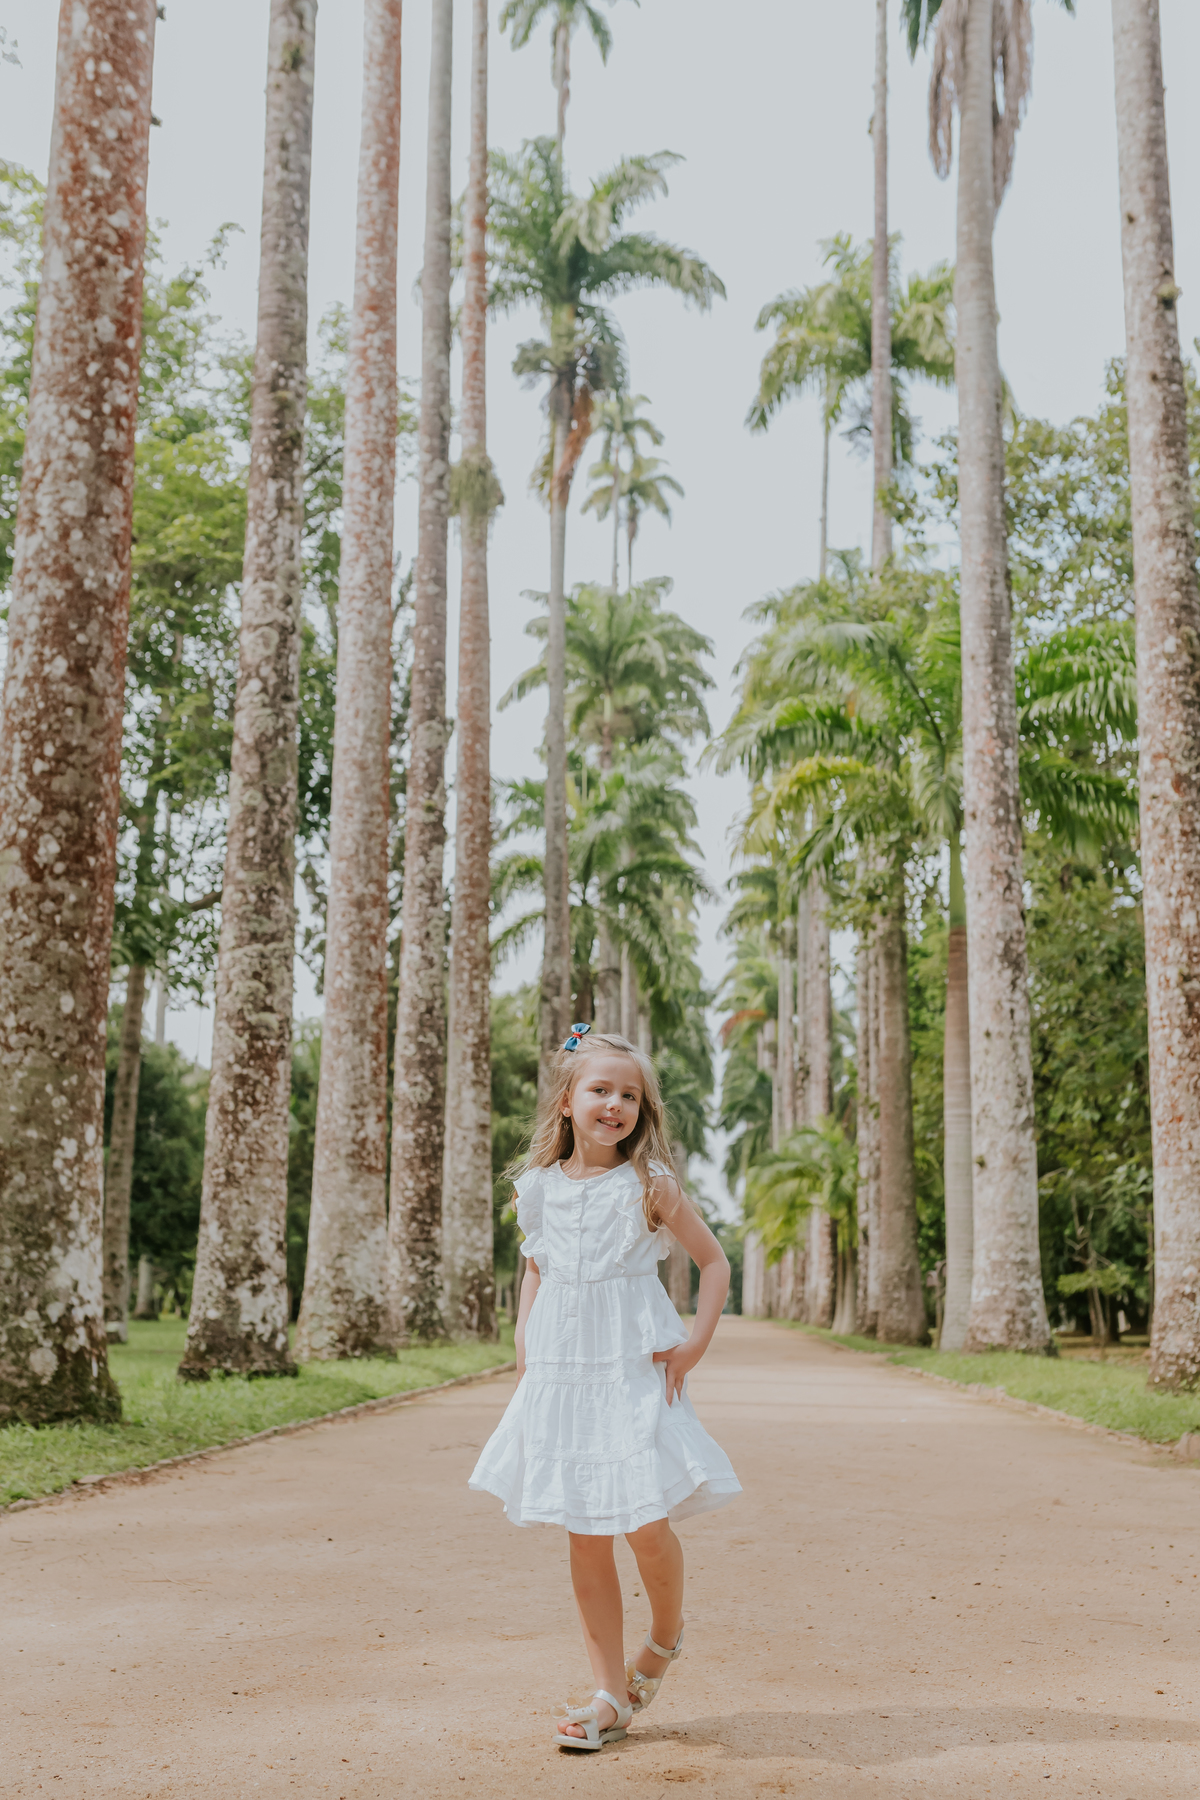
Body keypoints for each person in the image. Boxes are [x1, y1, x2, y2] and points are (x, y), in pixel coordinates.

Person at [468, 1025, 741, 1752]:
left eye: (629, 1094)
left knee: (645, 1523)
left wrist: (693, 1346)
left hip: (628, 1371)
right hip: (563, 1375)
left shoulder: (650, 1188)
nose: (614, 1103)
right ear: (566, 1101)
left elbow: (714, 1265)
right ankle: (608, 1696)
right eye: (600, 1089)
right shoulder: (536, 1189)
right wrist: (524, 1339)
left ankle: (665, 1635)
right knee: (585, 1533)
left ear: (641, 1110)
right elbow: (537, 1267)